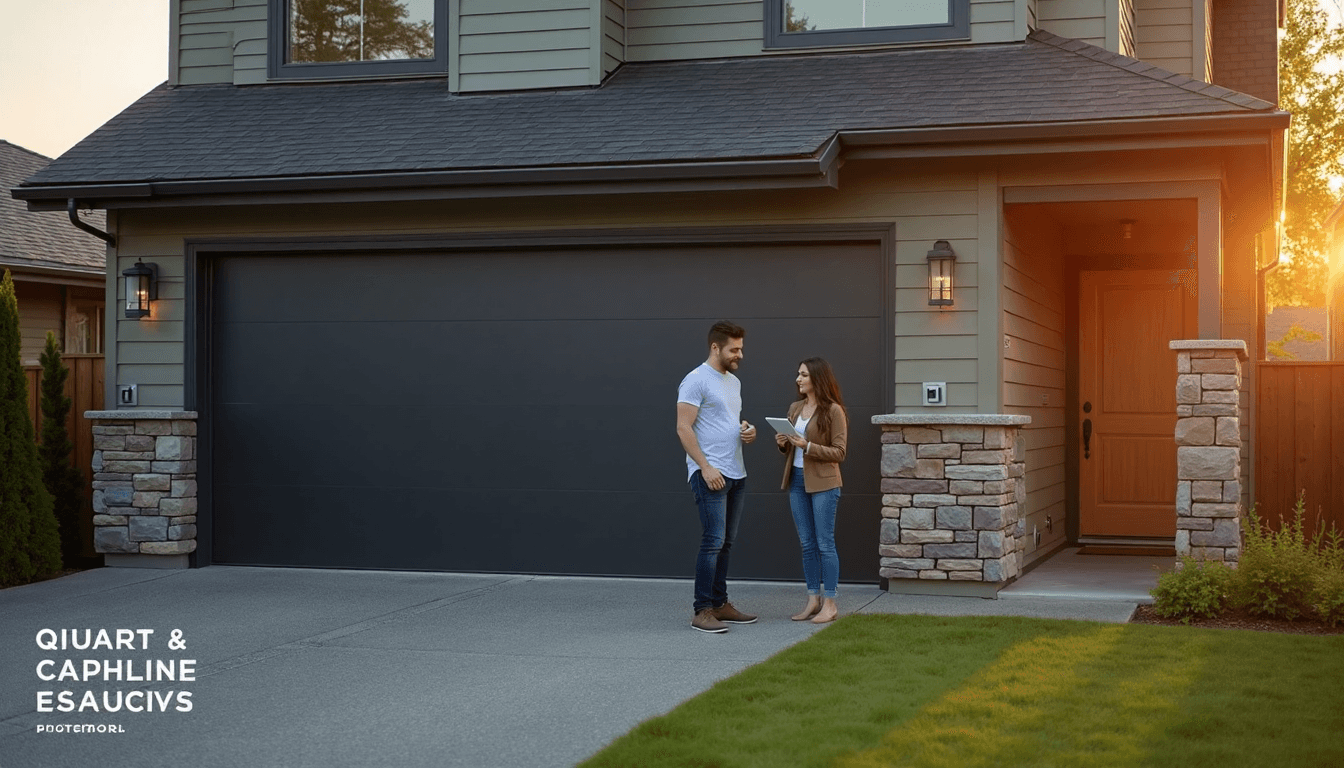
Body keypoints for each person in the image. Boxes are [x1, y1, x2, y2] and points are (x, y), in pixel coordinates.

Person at [677, 321, 759, 633]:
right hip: (710, 473)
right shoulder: (695, 380)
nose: (740, 355)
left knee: (726, 543)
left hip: (736, 471)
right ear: (715, 347)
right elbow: (683, 427)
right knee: (712, 541)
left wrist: (747, 432)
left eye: (741, 349)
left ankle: (720, 603)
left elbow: (727, 421)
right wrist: (705, 466)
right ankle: (702, 610)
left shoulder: (733, 383)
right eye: (734, 349)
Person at [775, 357, 847, 624]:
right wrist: (784, 442)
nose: (798, 379)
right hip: (796, 480)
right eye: (798, 374)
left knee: (824, 543)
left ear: (817, 378)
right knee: (807, 544)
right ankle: (812, 600)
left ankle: (830, 602)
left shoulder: (833, 411)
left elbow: (840, 452)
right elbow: (790, 448)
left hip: (824, 483)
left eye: (803, 374)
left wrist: (806, 446)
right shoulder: (795, 408)